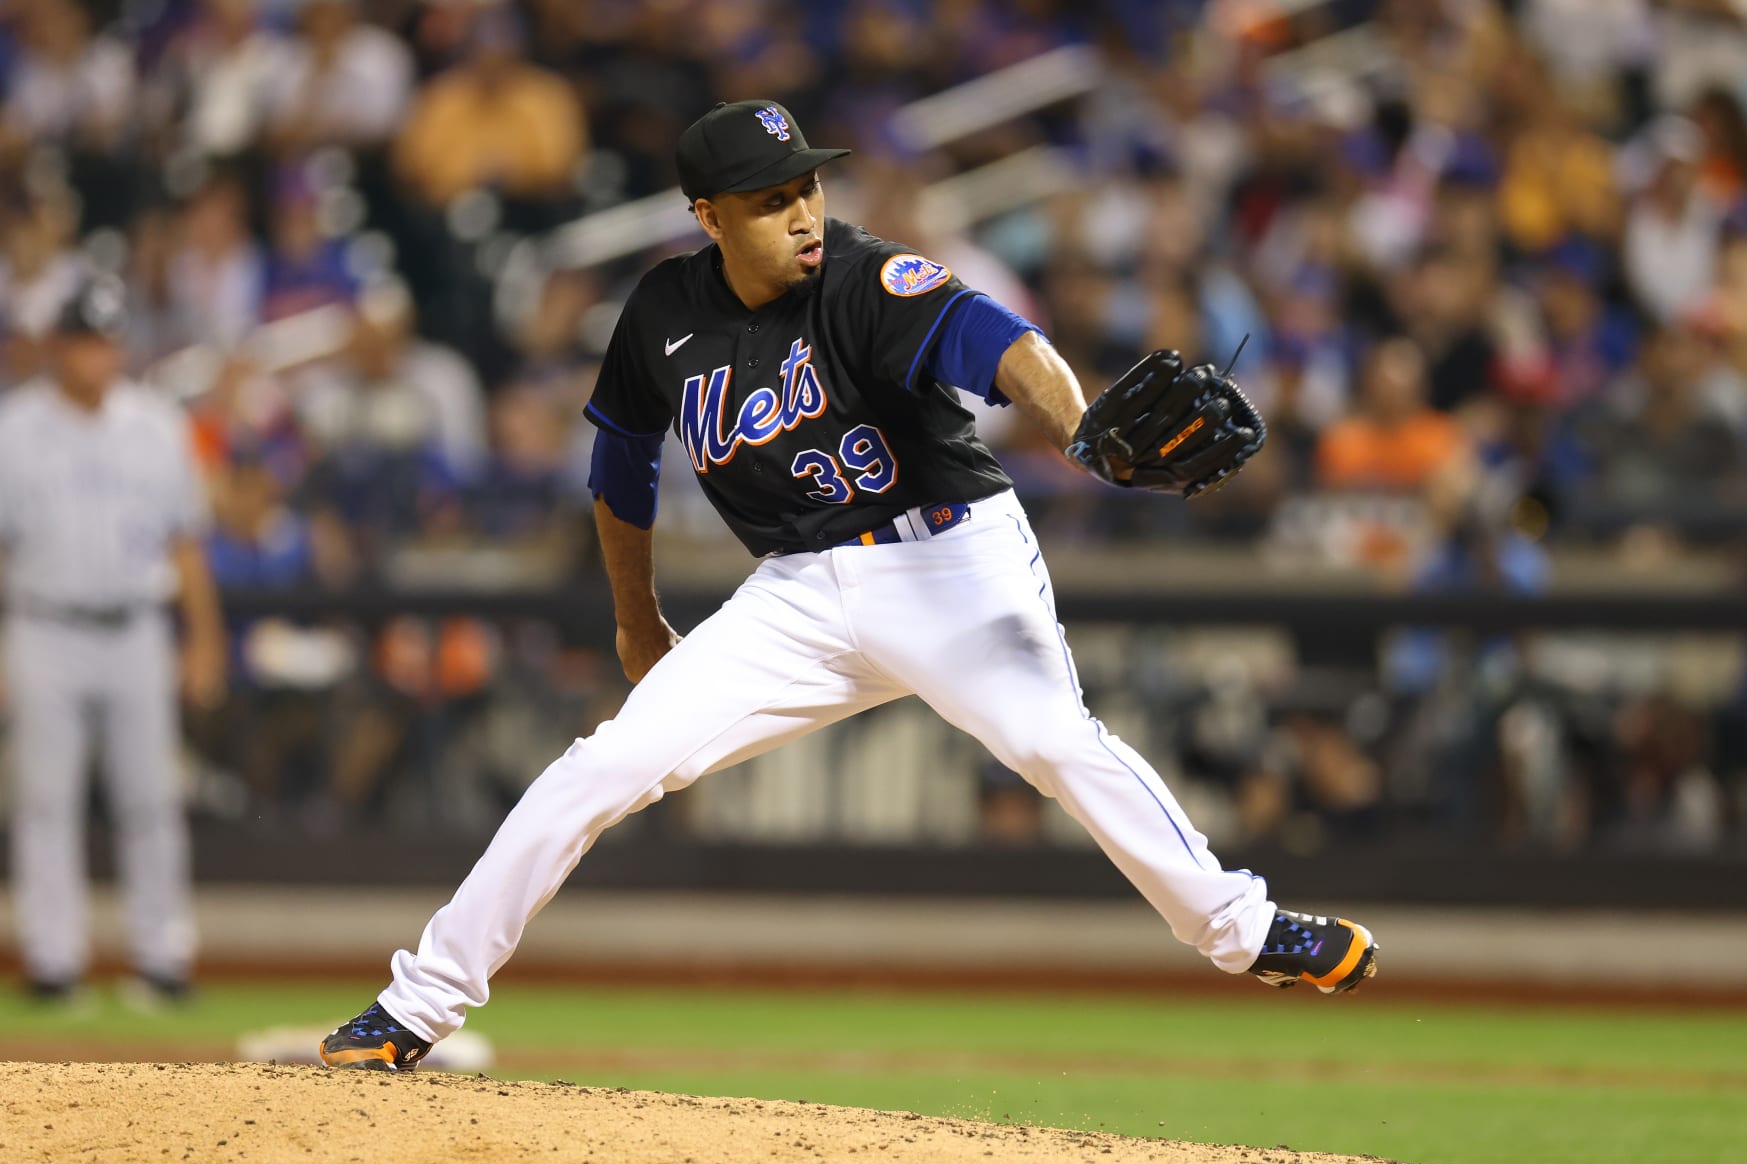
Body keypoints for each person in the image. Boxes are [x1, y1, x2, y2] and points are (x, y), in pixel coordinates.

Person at [320, 102, 1379, 1071]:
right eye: (771, 199)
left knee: (1055, 742)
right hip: (795, 593)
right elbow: (621, 464)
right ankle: (418, 1006)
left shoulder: (865, 277)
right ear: (708, 216)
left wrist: (1080, 428)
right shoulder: (660, 315)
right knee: (603, 766)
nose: (803, 213)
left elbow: (1000, 341)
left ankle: (1248, 933)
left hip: (948, 561)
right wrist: (637, 617)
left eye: (808, 187)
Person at [0, 277, 227, 1004]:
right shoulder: (14, 428)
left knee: (151, 799)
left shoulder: (155, 425)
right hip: (44, 625)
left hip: (134, 628)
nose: (98, 356)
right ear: (57, 346)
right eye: (84, 341)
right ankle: (52, 962)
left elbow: (187, 546)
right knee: (44, 800)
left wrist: (204, 643)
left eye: (108, 341)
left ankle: (163, 958)